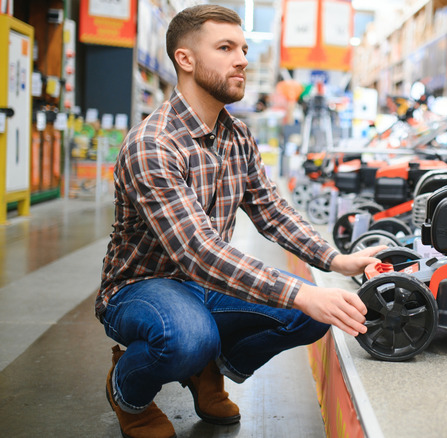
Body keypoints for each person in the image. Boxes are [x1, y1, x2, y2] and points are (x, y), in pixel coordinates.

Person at [96, 5, 383, 438]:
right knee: (188, 337)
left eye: (243, 48)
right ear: (185, 59)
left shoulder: (237, 135)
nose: (242, 59)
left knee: (316, 313)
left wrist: (335, 261)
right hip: (142, 286)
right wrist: (299, 290)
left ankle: (206, 371)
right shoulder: (152, 145)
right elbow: (198, 252)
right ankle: (128, 391)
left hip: (206, 285)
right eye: (226, 48)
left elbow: (270, 211)